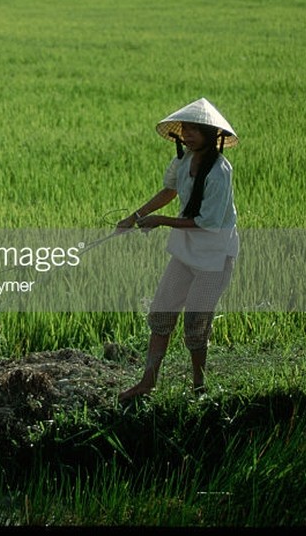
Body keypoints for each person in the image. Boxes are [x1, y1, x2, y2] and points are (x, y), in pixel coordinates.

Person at [116, 97, 239, 402]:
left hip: (214, 256)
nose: (188, 134)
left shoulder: (220, 172)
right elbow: (169, 191)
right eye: (185, 128)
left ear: (212, 135)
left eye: (195, 129)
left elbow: (207, 222)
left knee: (195, 327)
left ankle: (199, 386)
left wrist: (159, 221)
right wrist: (135, 216)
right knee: (161, 316)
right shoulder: (183, 161)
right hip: (185, 252)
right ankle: (147, 382)